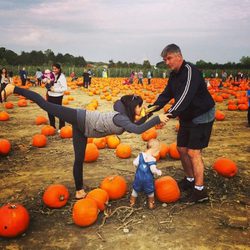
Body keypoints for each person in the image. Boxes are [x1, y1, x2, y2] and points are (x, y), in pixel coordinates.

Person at [0, 84, 170, 199]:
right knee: (45, 105)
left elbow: (135, 124)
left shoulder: (125, 117)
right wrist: (155, 119)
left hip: (83, 128)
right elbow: (138, 129)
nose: (141, 109)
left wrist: (150, 114)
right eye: (140, 106)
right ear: (132, 107)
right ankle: (13, 87)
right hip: (80, 117)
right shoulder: (121, 118)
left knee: (79, 158)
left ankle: (79, 191)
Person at [149, 44, 215, 203]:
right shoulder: (174, 75)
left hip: (201, 114)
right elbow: (167, 94)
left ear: (179, 56)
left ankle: (200, 191)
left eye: (169, 58)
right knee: (181, 148)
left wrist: (168, 115)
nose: (166, 62)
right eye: (165, 59)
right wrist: (151, 108)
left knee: (193, 152)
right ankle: (190, 179)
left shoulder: (191, 72)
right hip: (187, 115)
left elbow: (184, 98)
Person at [130, 139, 162, 209]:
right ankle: (151, 204)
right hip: (148, 179)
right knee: (150, 192)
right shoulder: (152, 159)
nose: (158, 153)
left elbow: (135, 163)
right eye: (157, 151)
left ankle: (132, 202)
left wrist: (138, 167)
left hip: (138, 177)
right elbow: (153, 170)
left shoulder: (140, 155)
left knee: (135, 190)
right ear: (153, 150)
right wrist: (158, 172)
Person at [46, 63, 67, 132]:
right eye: (53, 69)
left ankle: (62, 126)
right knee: (50, 111)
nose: (54, 70)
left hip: (58, 96)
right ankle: (52, 126)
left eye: (55, 69)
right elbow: (44, 79)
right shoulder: (51, 74)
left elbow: (64, 88)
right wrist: (46, 81)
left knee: (59, 112)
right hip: (50, 95)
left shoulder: (62, 77)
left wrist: (55, 90)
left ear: (59, 69)